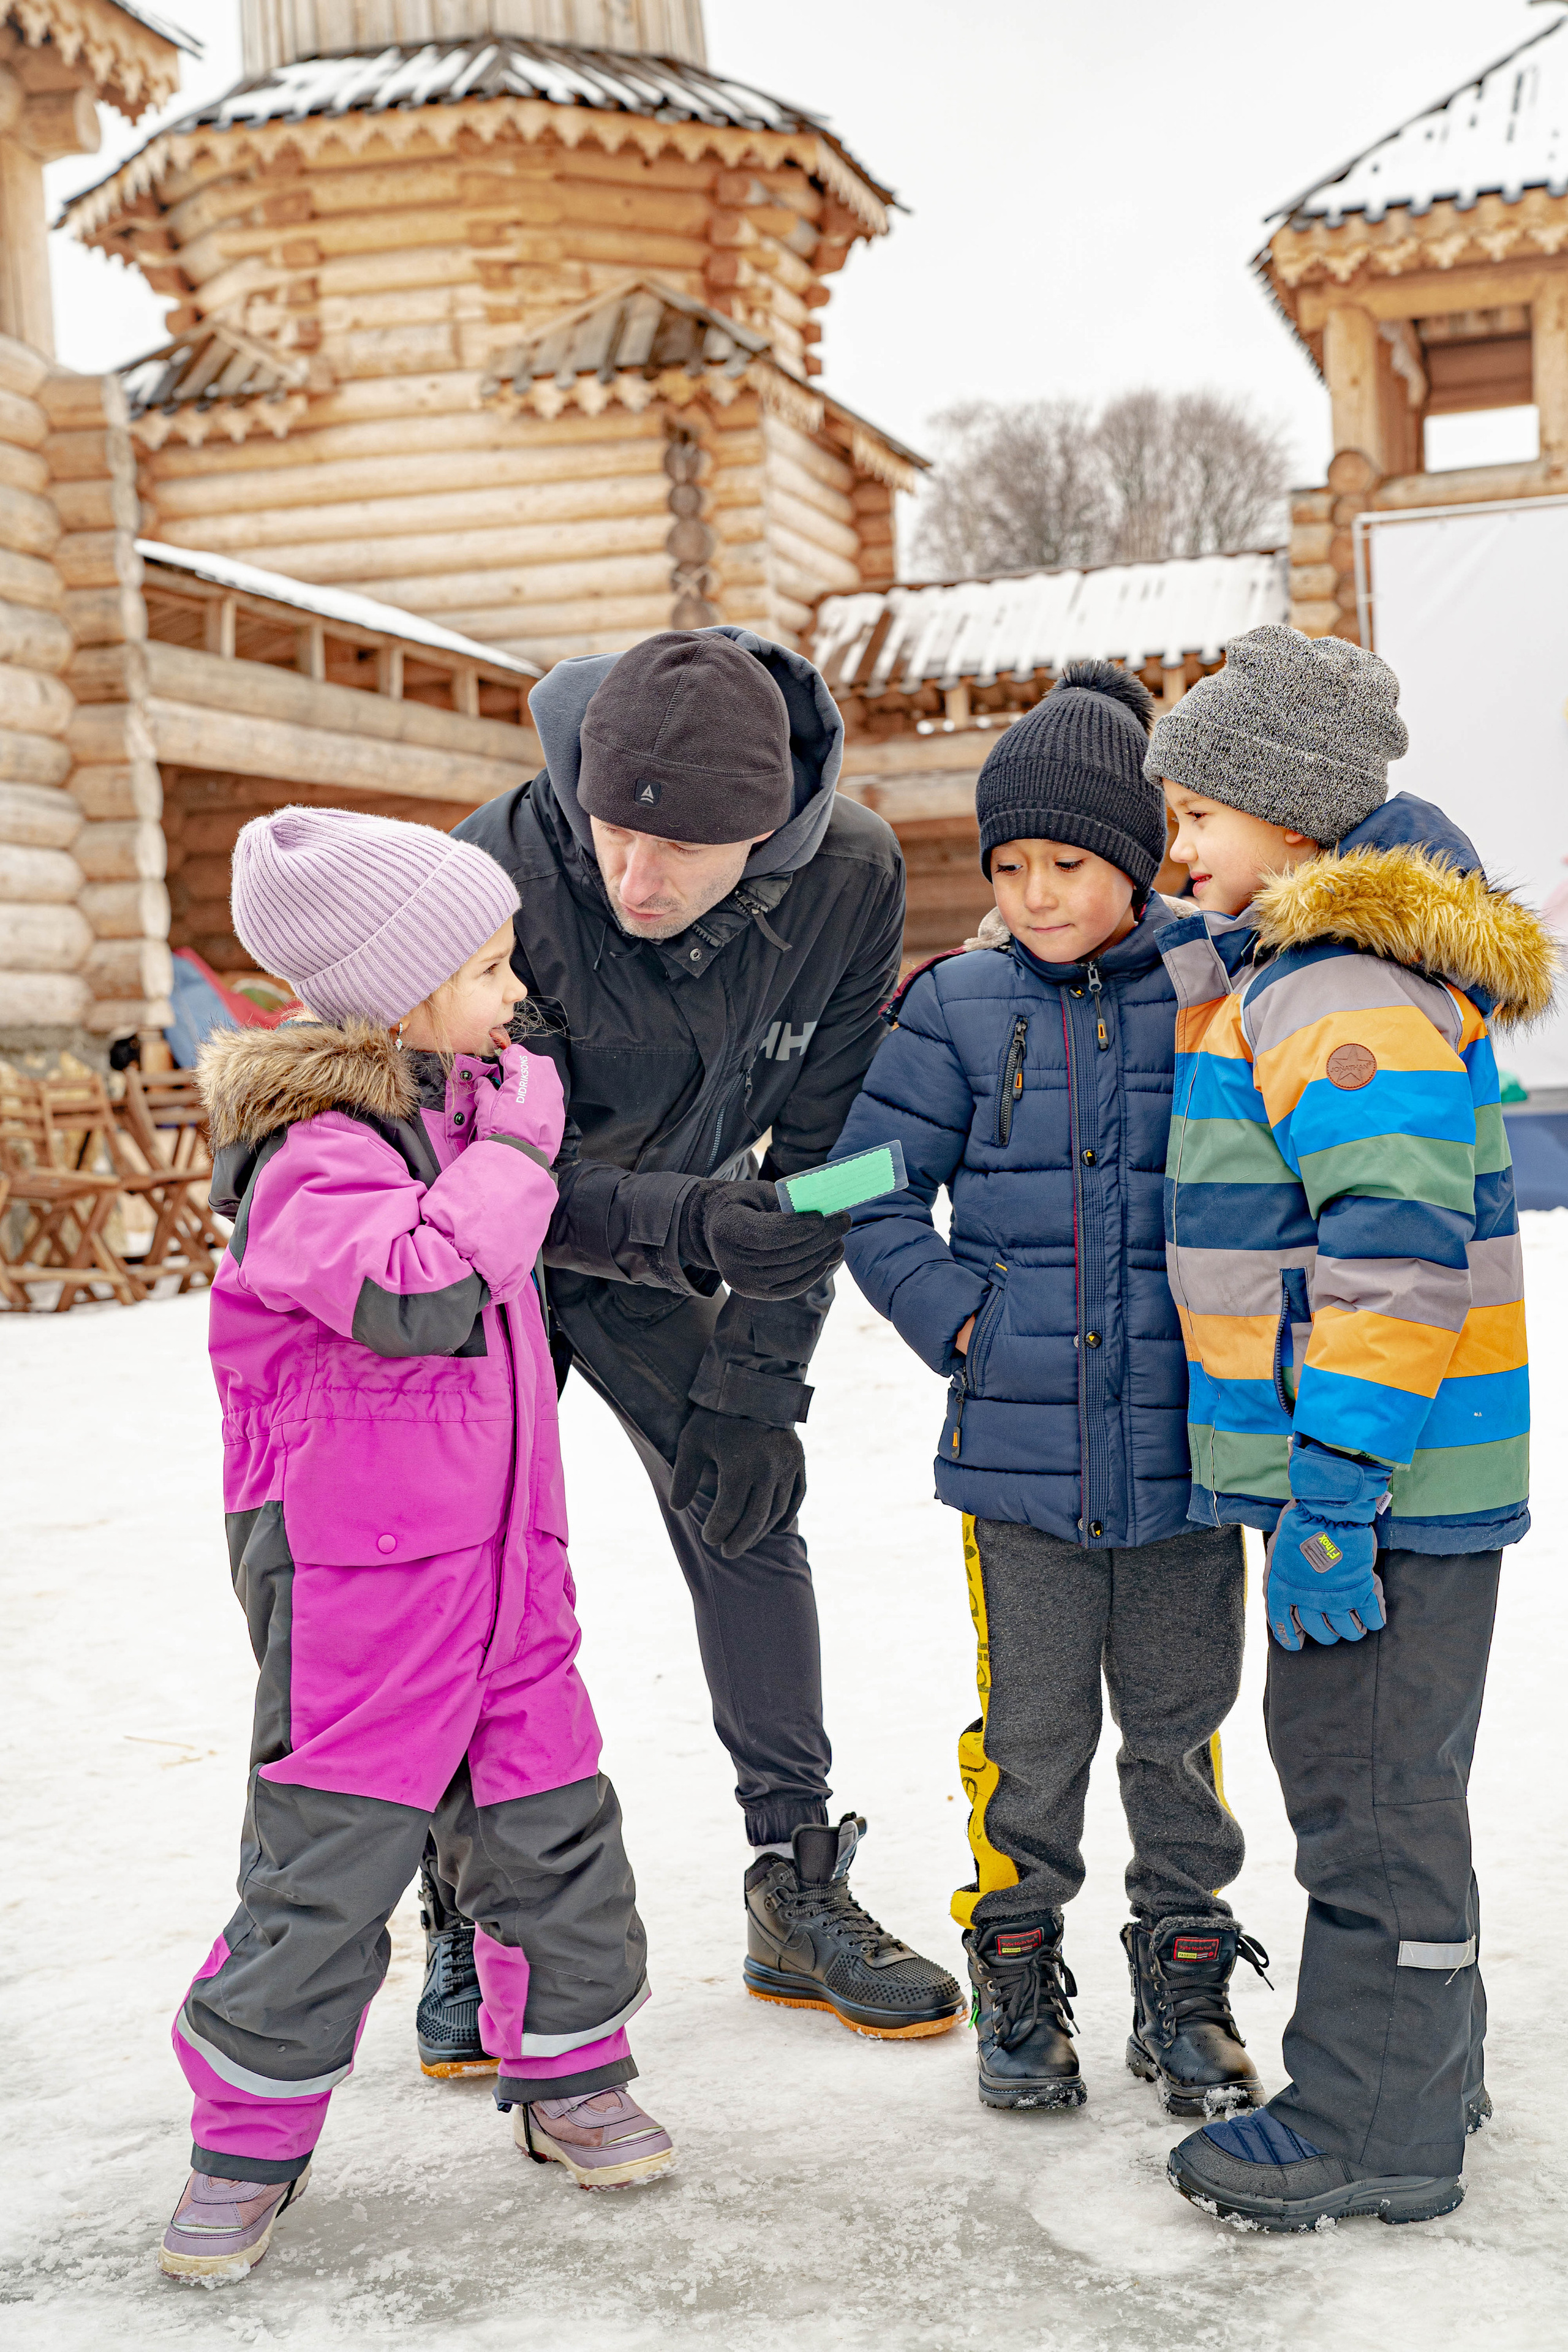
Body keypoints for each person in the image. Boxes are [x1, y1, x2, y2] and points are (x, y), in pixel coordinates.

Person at [159, 808, 673, 2285]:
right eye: (489, 965)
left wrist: (733, 1218)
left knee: (551, 1824)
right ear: (395, 989)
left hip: (508, 1558)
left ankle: (572, 2077)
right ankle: (245, 2142)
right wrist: (511, 1146)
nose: (516, 994)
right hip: (357, 1578)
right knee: (330, 1858)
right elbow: (416, 1294)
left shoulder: (450, 1117)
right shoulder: (305, 1155)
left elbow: (535, 1229)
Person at [440, 627, 962, 2058]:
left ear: (771, 831)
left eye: (682, 851)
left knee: (748, 1507)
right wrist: (693, 1224)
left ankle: (795, 1876)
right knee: (460, 1553)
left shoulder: (850, 874)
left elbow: (835, 1160)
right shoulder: (499, 866)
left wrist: (759, 1384)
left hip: (690, 1242)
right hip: (489, 1246)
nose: (634, 881)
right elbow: (466, 1152)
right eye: (611, 833)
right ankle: (456, 1904)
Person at [1148, 625, 1551, 2231]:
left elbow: (1393, 1256)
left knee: (1367, 1801)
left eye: (1196, 819)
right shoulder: (1312, 979)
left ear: (1290, 822)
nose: (1176, 851)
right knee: (1391, 1786)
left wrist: (1332, 1493)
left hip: (1377, 1491)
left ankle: (1374, 2126)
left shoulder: (1335, 993)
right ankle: (1425, 2066)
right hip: (1388, 1482)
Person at [834, 661, 1268, 2115]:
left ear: (1135, 862)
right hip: (1013, 1466)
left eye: (1064, 864)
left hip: (1185, 1462)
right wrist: (956, 1319)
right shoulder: (952, 1006)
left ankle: (1184, 1974)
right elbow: (859, 1186)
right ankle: (1015, 1968)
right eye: (1006, 864)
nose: (1030, 892)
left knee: (1177, 1725)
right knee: (1026, 1742)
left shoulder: (1215, 985)